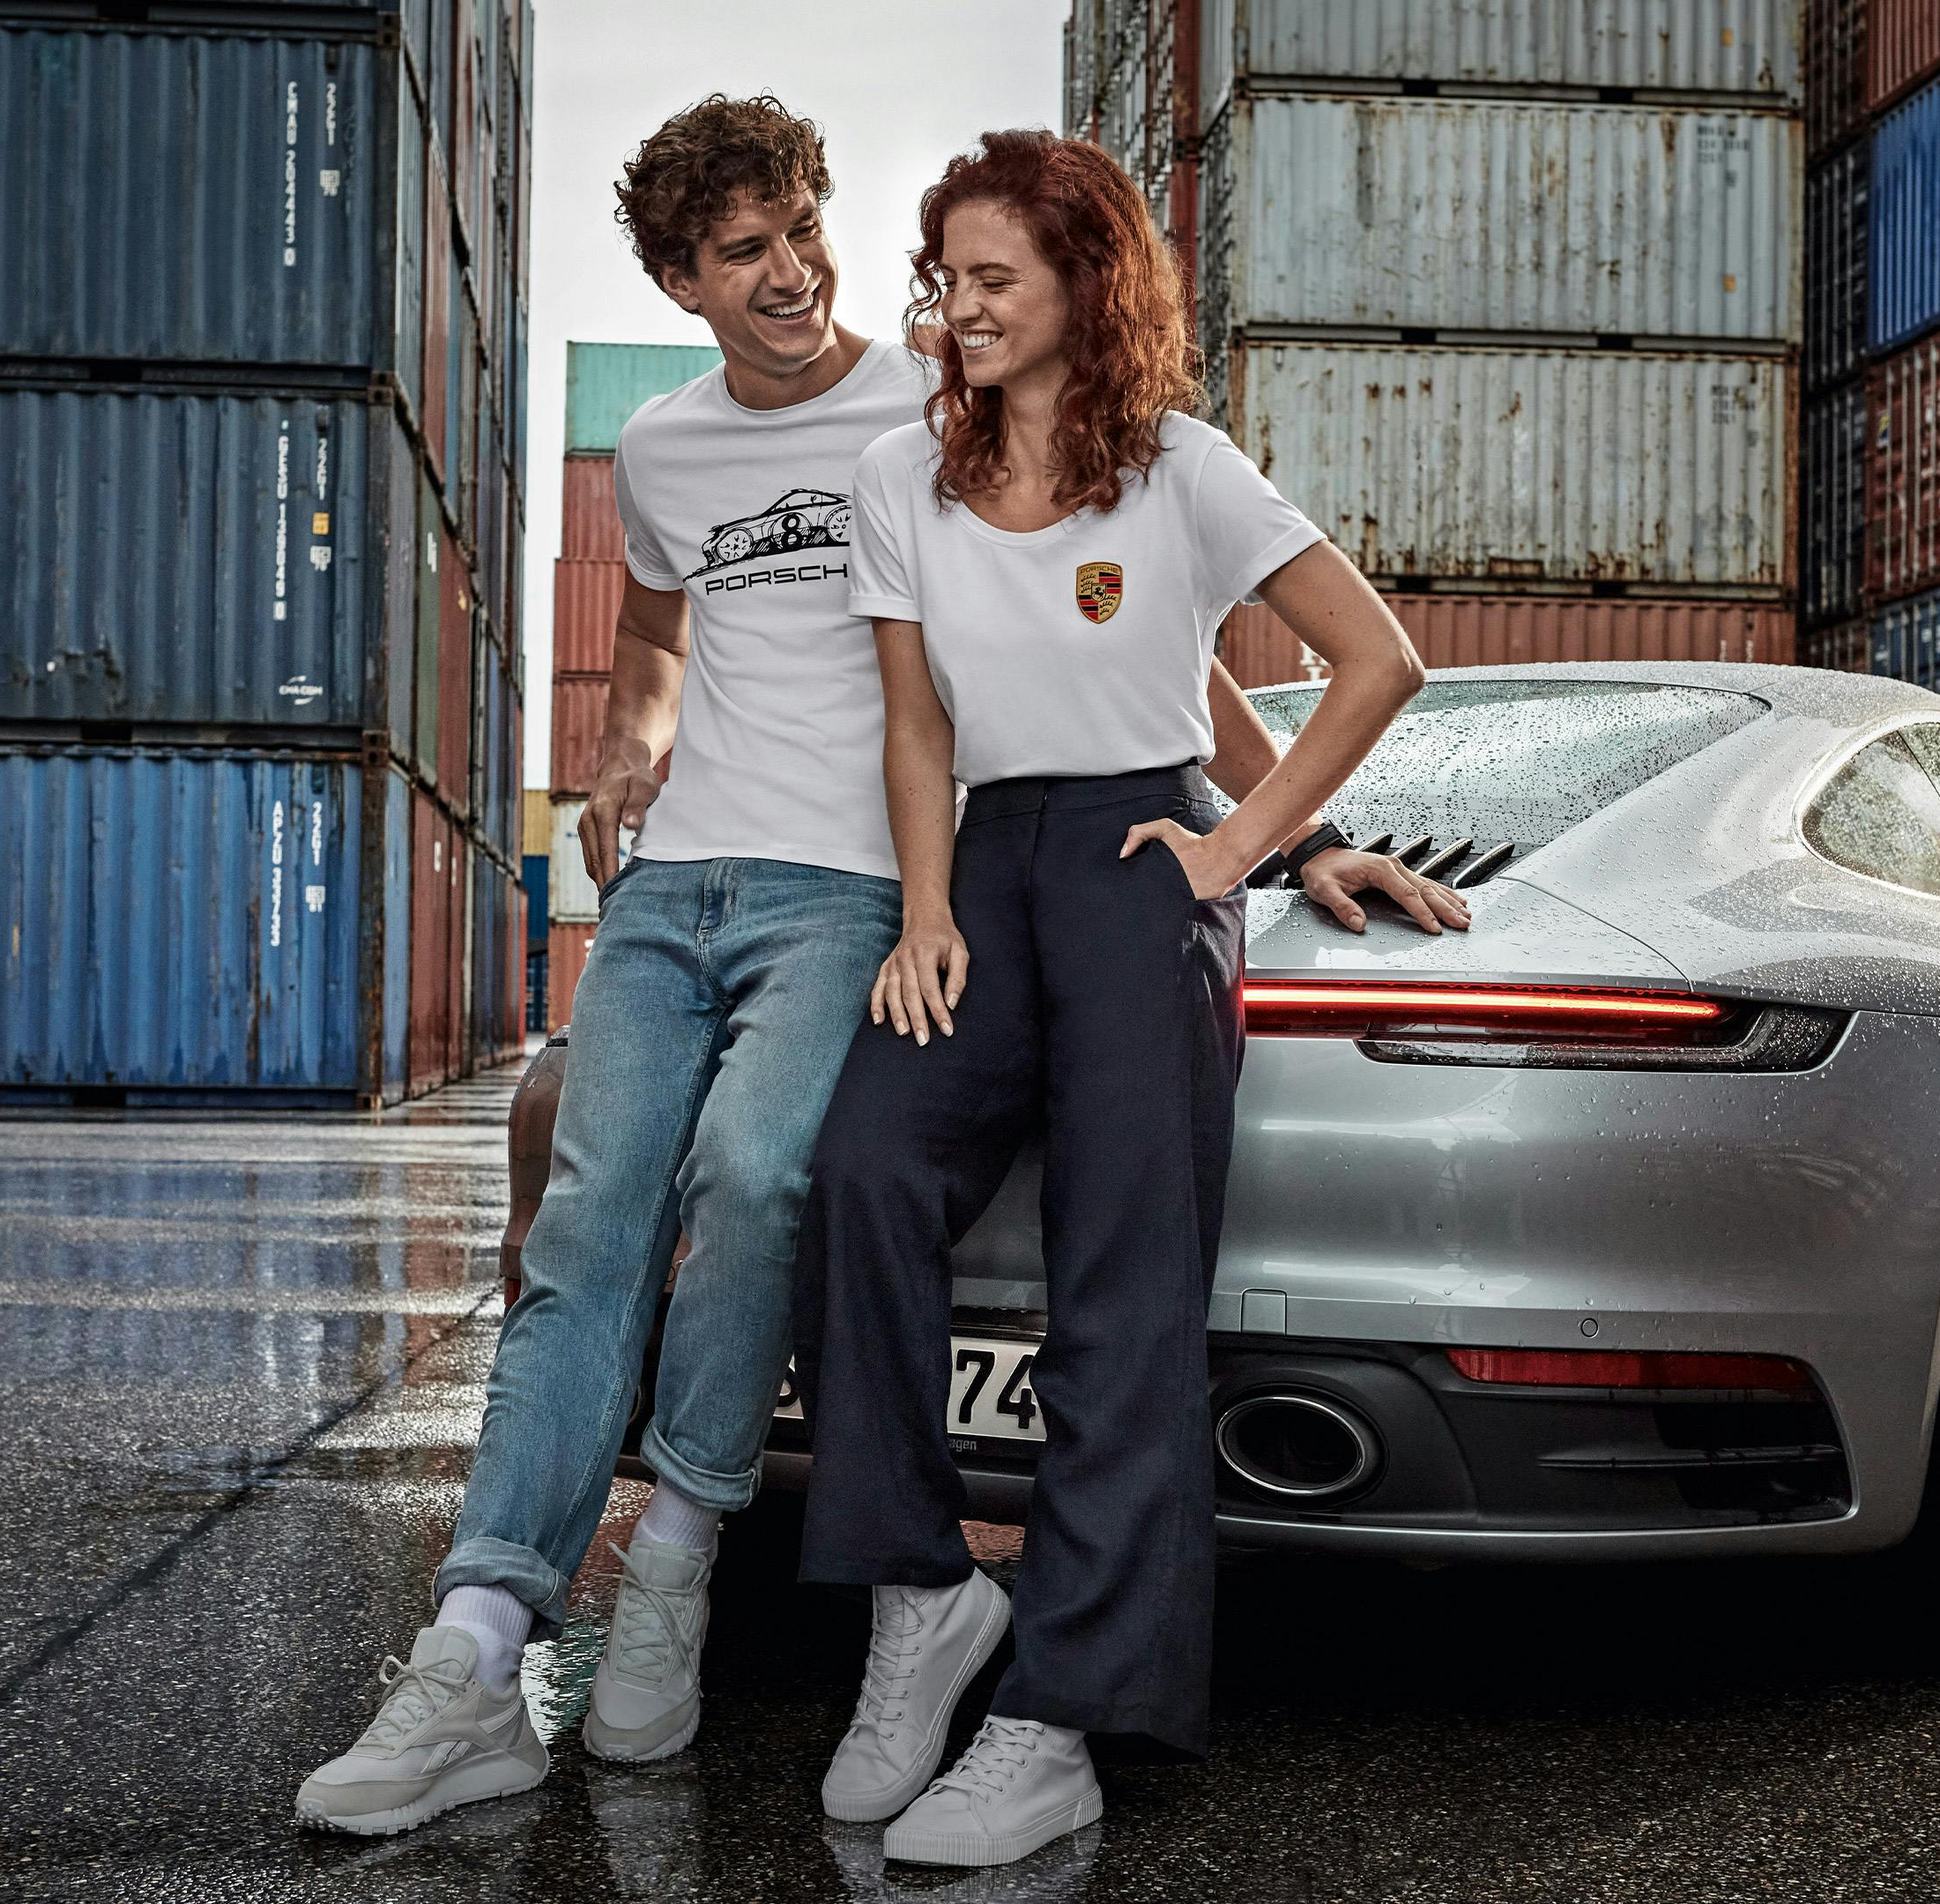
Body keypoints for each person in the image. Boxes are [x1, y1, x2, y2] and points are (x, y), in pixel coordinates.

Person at [294, 99, 1462, 1841]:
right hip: (824, 876)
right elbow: (771, 672)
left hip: (1001, 876)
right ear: (686, 279)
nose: (818, 280)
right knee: (721, 1200)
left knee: (948, 1234)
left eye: (811, 237)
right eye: (748, 253)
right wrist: (697, 787)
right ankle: (695, 1622)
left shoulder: (1057, 440)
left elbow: (1203, 656)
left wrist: (1268, 845)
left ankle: (888, 1645)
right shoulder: (787, 457)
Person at [794, 130, 1431, 1869]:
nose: (963, 307)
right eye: (949, 278)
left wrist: (1252, 857)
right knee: (858, 1172)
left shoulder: (1182, 471)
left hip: (1142, 866)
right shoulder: (897, 483)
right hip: (985, 863)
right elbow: (917, 724)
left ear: (1086, 284)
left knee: (1123, 1286)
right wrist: (924, 913)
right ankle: (923, 1595)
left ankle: (1062, 1717)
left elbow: (1374, 663)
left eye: (997, 276)